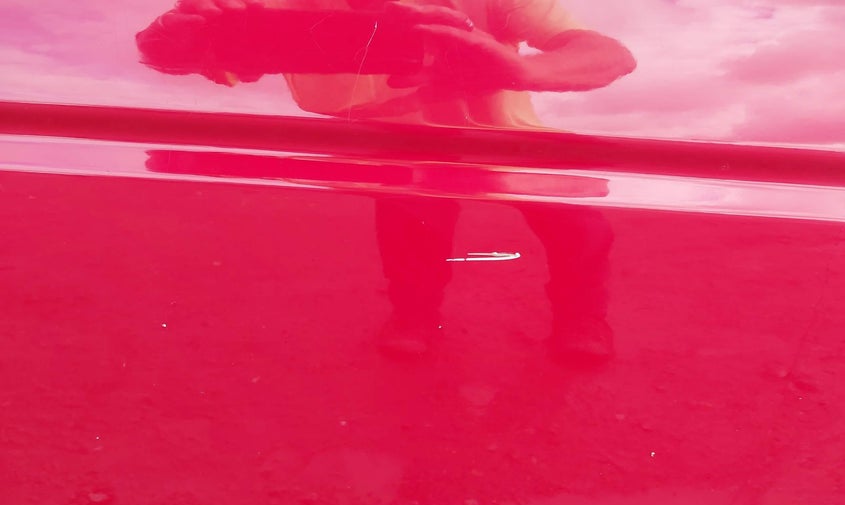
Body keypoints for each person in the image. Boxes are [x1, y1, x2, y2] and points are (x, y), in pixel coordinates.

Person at [140, 0, 637, 363]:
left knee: (577, 226)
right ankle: (415, 316)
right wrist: (172, 44)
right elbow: (186, 54)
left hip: (503, 138)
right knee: (409, 227)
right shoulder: (278, 7)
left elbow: (610, 55)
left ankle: (581, 318)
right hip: (403, 145)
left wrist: (524, 70)